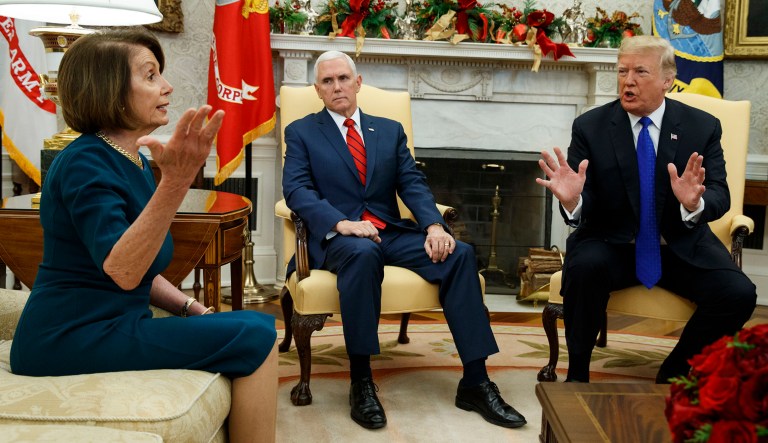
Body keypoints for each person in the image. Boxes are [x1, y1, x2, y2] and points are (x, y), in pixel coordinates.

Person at [9, 28, 278, 443]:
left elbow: (141, 263)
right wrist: (177, 181)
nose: (168, 86)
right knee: (257, 333)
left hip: (111, 324)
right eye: (150, 75)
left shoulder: (127, 158)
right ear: (110, 90)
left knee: (246, 324)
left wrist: (191, 307)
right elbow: (123, 269)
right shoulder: (85, 163)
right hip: (68, 337)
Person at [282, 50, 526, 430]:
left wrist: (433, 226)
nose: (337, 87)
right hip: (339, 240)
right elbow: (296, 190)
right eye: (327, 81)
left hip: (390, 233)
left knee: (459, 253)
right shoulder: (301, 132)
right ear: (318, 90)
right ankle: (361, 381)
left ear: (357, 82)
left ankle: (475, 381)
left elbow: (411, 183)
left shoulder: (389, 130)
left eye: (343, 78)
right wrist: (341, 223)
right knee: (362, 253)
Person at [535, 35, 756, 383]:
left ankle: (676, 368)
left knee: (739, 294)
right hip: (611, 241)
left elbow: (719, 194)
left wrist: (694, 203)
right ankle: (577, 372)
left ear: (668, 79)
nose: (628, 81)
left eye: (640, 71)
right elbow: (582, 194)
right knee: (585, 270)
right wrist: (572, 200)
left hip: (679, 244)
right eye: (622, 71)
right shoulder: (591, 126)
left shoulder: (702, 126)